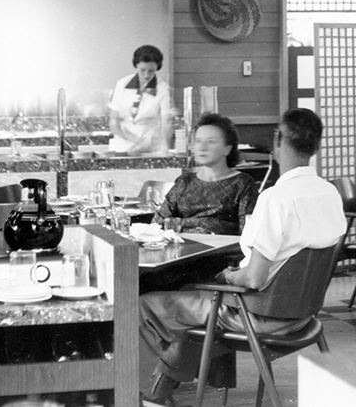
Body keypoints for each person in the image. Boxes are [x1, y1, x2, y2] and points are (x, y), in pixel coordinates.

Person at [140, 108, 345, 406]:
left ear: (277, 141)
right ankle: (158, 391)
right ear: (316, 145)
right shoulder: (329, 194)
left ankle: (145, 395)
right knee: (196, 312)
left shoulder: (276, 199)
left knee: (146, 306)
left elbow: (254, 278)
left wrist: (228, 276)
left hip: (260, 316)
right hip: (303, 312)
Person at [154, 113, 259, 236]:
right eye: (198, 141)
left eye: (211, 141)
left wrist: (181, 223)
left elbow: (248, 233)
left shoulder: (243, 183)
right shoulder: (184, 182)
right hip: (183, 252)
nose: (202, 147)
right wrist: (207, 224)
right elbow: (157, 225)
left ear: (228, 148)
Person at [110, 44, 175, 155]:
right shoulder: (122, 84)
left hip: (150, 145)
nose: (146, 75)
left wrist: (164, 146)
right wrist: (135, 140)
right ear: (136, 65)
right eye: (142, 70)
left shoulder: (163, 88)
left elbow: (166, 123)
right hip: (122, 144)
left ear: (157, 68)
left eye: (151, 71)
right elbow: (113, 122)